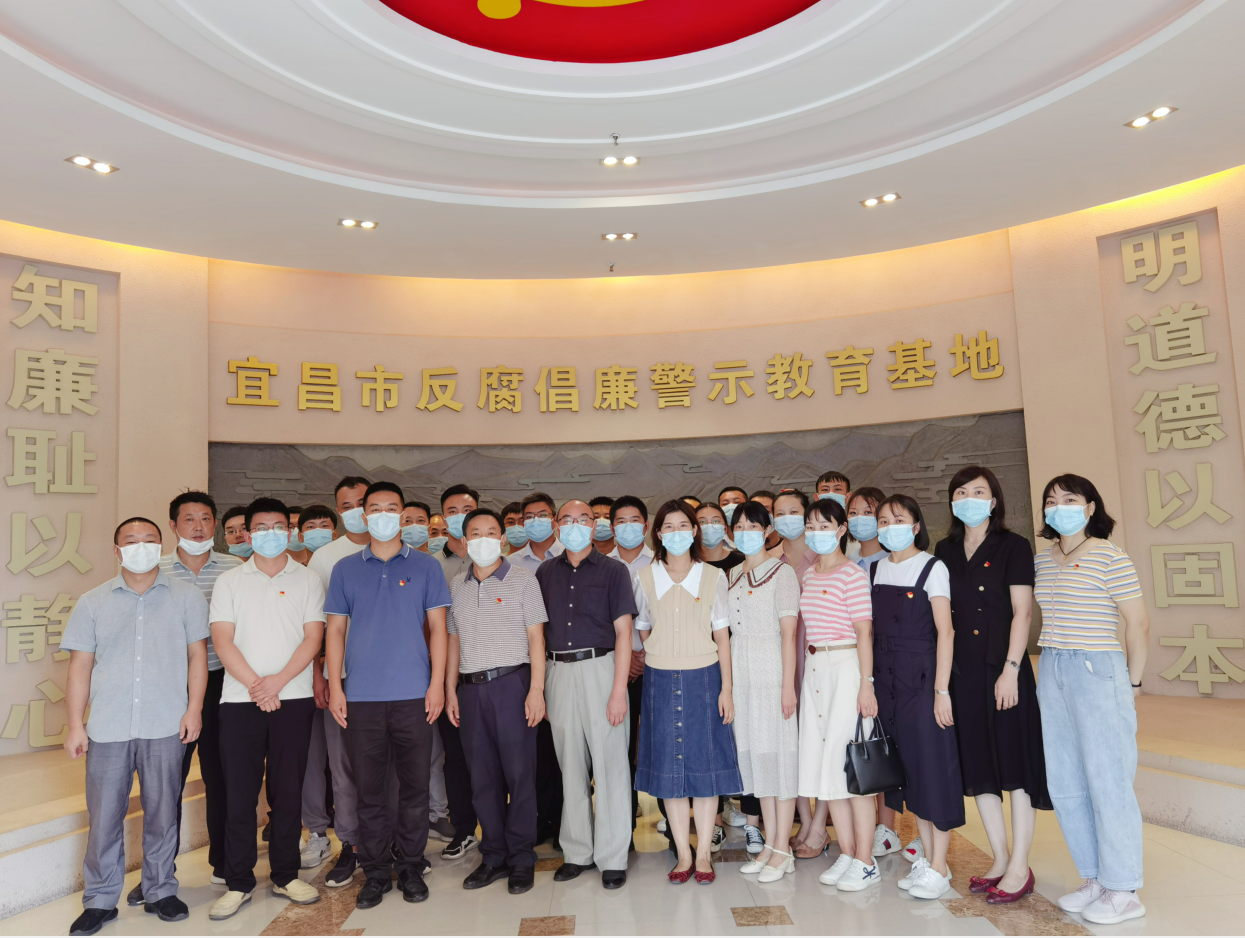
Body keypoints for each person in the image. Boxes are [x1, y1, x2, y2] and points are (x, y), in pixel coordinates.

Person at [62, 518, 209, 937]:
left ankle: (160, 890)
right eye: (131, 541)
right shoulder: (93, 601)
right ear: (117, 550)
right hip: (107, 726)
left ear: (161, 546)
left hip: (165, 721)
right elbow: (80, 668)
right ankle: (99, 900)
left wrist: (194, 709)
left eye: (149, 540)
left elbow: (198, 657)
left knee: (163, 812)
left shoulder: (185, 596)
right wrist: (75, 725)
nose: (140, 547)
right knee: (104, 816)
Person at [324, 481, 452, 907]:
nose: (382, 515)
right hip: (361, 697)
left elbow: (438, 628)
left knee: (415, 789)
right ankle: (376, 872)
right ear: (363, 515)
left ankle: (412, 866)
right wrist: (336, 685)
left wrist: (436, 684)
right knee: (370, 790)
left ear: (402, 514)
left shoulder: (426, 566)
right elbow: (335, 630)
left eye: (390, 508)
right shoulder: (345, 568)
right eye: (373, 508)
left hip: (415, 695)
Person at [1035, 474, 1149, 926]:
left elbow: (1137, 623)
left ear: (1089, 508)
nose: (1058, 506)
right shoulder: (1042, 559)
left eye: (1069, 499)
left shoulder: (1109, 555)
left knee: (1108, 779)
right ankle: (1095, 877)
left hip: (1097, 666)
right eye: (1051, 500)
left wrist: (1132, 684)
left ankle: (1124, 888)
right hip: (1053, 665)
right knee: (1065, 779)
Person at [934, 466, 1050, 903]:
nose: (970, 499)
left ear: (994, 500)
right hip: (963, 673)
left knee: (1014, 765)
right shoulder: (944, 550)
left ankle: (1020, 864)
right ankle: (1000, 858)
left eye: (979, 492)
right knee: (980, 767)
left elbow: (1023, 612)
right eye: (961, 492)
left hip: (1004, 668)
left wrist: (1011, 668)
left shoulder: (1013, 546)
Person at [208, 498, 325, 920]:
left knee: (287, 790)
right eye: (261, 527)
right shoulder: (230, 581)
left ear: (289, 532)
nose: (270, 534)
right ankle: (238, 882)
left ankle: (285, 874)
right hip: (240, 700)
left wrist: (277, 682)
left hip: (293, 698)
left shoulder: (308, 578)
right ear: (247, 533)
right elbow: (222, 640)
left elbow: (313, 638)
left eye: (278, 526)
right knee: (239, 794)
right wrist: (258, 686)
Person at [122, 494, 241, 906]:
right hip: (171, 687)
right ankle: (157, 874)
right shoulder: (155, 569)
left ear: (215, 524)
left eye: (206, 518)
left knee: (223, 777)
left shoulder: (234, 569)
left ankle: (225, 864)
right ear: (173, 526)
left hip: (223, 685)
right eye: (189, 519)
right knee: (164, 784)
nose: (198, 526)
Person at [633, 500, 742, 885]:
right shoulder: (644, 577)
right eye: (669, 527)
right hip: (660, 681)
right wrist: (664, 651)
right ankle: (683, 854)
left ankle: (704, 855)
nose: (676, 533)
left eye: (684, 525)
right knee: (670, 771)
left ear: (694, 531)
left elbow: (722, 636)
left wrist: (726, 689)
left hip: (705, 679)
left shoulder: (713, 576)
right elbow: (644, 627)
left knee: (705, 769)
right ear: (658, 534)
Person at [446, 508, 549, 895]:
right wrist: (450, 689)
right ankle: (493, 856)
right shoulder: (456, 586)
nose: (484, 539)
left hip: (512, 684)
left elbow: (537, 638)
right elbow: (453, 642)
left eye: (491, 532)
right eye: (476, 533)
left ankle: (521, 857)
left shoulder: (523, 579)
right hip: (470, 689)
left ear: (503, 539)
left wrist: (536, 690)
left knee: (519, 775)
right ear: (464, 540)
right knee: (482, 778)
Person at [536, 500, 636, 889]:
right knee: (570, 765)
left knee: (611, 765)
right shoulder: (545, 572)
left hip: (601, 669)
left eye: (583, 520)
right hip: (558, 671)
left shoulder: (614, 570)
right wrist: (541, 688)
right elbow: (537, 634)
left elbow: (624, 633)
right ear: (556, 526)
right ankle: (577, 851)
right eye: (567, 520)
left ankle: (613, 856)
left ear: (595, 526)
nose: (575, 526)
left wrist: (618, 690)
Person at [871, 494, 964, 900]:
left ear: (915, 526)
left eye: (899, 519)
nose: (890, 526)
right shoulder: (876, 568)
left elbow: (946, 632)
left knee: (932, 771)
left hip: (922, 681)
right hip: (886, 681)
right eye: (883, 520)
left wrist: (941, 691)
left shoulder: (932, 567)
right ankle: (927, 859)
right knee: (909, 774)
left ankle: (940, 867)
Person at [796, 499, 880, 892]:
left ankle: (866, 861)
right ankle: (847, 853)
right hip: (815, 670)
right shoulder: (810, 575)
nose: (816, 532)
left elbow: (864, 632)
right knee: (829, 770)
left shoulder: (853, 574)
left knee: (852, 770)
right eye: (810, 526)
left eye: (824, 525)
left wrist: (866, 682)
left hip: (846, 668)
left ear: (842, 529)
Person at [726, 501, 801, 883]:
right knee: (759, 763)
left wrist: (787, 686)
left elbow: (789, 634)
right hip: (742, 675)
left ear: (767, 529)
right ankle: (772, 845)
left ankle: (782, 849)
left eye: (753, 526)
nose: (745, 533)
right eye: (738, 526)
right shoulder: (732, 574)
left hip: (771, 673)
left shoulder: (782, 573)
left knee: (779, 762)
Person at [305, 477, 373, 887]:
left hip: (389, 681)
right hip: (340, 679)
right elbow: (316, 627)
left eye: (362, 502)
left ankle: (392, 842)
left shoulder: (402, 552)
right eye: (346, 505)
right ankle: (350, 843)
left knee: (391, 767)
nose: (356, 511)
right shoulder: (326, 558)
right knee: (343, 766)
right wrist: (320, 675)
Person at [843, 486, 898, 856]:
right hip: (852, 662)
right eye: (854, 512)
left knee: (884, 742)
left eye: (869, 512)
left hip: (886, 660)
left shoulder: (891, 560)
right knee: (862, 741)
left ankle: (887, 827)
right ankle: (864, 826)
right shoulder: (846, 560)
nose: (860, 519)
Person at [766, 489, 821, 853]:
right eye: (779, 513)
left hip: (819, 662)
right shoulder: (769, 560)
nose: (786, 518)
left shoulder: (826, 555)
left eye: (794, 512)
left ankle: (819, 826)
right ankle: (803, 819)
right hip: (782, 666)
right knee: (792, 745)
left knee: (823, 744)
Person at [433, 484, 482, 861]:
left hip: (496, 676)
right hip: (451, 678)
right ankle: (464, 828)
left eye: (467, 510)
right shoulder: (431, 565)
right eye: (452, 511)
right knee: (457, 758)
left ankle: (501, 826)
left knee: (498, 757)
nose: (459, 516)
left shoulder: (500, 561)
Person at [294, 504, 340, 869]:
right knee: (310, 760)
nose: (318, 532)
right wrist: (315, 672)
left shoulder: (345, 564)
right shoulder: (295, 574)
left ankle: (355, 835)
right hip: (303, 678)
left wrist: (328, 673)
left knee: (343, 761)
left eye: (324, 525)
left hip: (341, 676)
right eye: (311, 527)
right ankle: (317, 833)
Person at [607, 495, 654, 835]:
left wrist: (646, 655)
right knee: (619, 742)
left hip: (656, 664)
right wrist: (624, 661)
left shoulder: (661, 562)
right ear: (612, 528)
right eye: (620, 522)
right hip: (614, 668)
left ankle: (669, 813)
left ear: (646, 526)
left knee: (660, 739)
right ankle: (626, 809)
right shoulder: (601, 565)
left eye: (634, 520)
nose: (627, 527)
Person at [510, 492, 566, 573]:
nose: (536, 521)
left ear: (555, 520)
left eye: (543, 515)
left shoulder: (571, 557)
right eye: (529, 517)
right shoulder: (512, 563)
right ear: (523, 523)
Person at [695, 503, 744, 572]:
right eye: (702, 522)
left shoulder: (742, 562)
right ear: (694, 529)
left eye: (716, 521)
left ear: (725, 529)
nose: (710, 526)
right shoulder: (688, 564)